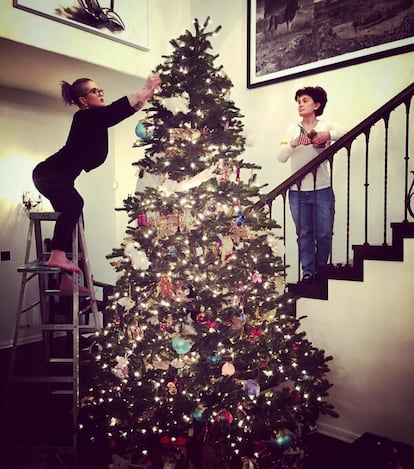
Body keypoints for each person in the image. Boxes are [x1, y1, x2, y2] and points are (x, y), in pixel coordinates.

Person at [33, 74, 161, 293]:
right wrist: (144, 88)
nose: (100, 93)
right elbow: (115, 111)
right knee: (75, 204)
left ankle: (66, 280)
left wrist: (147, 94)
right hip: (49, 174)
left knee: (74, 219)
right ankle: (57, 255)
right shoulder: (84, 117)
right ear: (83, 100)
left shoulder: (96, 119)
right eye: (95, 91)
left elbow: (124, 111)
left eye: (100, 90)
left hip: (56, 178)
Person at [276, 86, 347, 282]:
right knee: (304, 235)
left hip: (322, 189)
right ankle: (308, 272)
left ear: (316, 104)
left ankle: (321, 270)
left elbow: (348, 131)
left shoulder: (325, 125)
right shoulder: (291, 129)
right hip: (297, 193)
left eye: (305, 100)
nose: (300, 104)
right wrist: (293, 144)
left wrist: (328, 136)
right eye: (298, 101)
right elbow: (280, 157)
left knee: (324, 233)